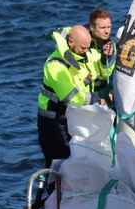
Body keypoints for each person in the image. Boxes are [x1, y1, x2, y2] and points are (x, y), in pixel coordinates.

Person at [37, 24, 94, 166]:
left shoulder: (77, 58)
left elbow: (79, 83)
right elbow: (72, 98)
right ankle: (50, 186)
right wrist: (97, 98)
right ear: (71, 42)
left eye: (88, 47)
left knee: (72, 158)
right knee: (59, 160)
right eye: (83, 48)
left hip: (68, 117)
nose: (86, 52)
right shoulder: (56, 66)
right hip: (53, 121)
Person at [85, 7, 116, 103]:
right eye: (102, 28)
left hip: (102, 95)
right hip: (86, 95)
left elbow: (107, 74)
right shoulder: (82, 45)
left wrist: (106, 57)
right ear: (92, 28)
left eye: (109, 27)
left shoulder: (111, 46)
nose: (107, 31)